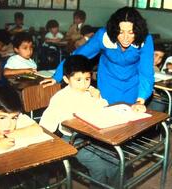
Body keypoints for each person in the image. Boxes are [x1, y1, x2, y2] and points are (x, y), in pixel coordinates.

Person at [41, 7, 154, 113]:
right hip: (108, 81)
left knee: (129, 120)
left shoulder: (145, 39)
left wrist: (140, 100)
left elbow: (146, 72)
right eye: (121, 32)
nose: (125, 37)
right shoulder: (103, 36)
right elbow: (77, 56)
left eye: (130, 32)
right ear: (114, 30)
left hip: (132, 84)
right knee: (107, 116)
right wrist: (57, 77)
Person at [39, 55, 119, 189]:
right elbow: (46, 123)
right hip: (72, 140)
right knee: (99, 168)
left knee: (116, 162)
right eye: (78, 80)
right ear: (66, 79)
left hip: (94, 137)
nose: (84, 84)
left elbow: (104, 114)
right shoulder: (60, 98)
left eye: (87, 79)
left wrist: (98, 98)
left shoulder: (90, 94)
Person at [0, 85, 43, 150]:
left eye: (13, 118)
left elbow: (38, 129)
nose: (8, 125)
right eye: (2, 118)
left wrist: (6, 136)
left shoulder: (18, 115)